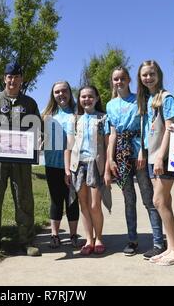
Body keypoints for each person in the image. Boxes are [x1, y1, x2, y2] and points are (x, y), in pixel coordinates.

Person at [0, 61, 42, 257]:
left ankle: (26, 240)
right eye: (9, 76)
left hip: (21, 160)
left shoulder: (29, 103)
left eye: (16, 76)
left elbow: (37, 126)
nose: (12, 80)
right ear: (4, 78)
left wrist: (39, 136)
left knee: (24, 197)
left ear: (21, 79)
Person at [105, 66, 165, 259]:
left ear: (129, 79)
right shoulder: (110, 105)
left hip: (138, 150)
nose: (119, 82)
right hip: (121, 154)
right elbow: (112, 135)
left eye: (122, 78)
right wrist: (110, 159)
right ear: (112, 82)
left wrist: (142, 152)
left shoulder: (140, 99)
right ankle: (132, 239)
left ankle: (158, 240)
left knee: (149, 198)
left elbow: (146, 126)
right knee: (129, 199)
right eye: (115, 79)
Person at [136, 60, 174, 266]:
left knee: (158, 201)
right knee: (164, 202)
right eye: (144, 74)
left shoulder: (167, 98)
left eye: (152, 73)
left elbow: (170, 129)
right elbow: (148, 130)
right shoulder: (147, 99)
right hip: (152, 155)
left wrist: (160, 157)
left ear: (159, 74)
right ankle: (172, 248)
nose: (148, 77)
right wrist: (143, 151)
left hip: (164, 157)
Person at [65, 85, 111, 256]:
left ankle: (99, 238)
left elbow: (108, 146)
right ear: (79, 100)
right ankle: (88, 239)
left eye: (90, 96)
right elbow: (68, 147)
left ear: (97, 98)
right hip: (78, 166)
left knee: (94, 205)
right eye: (83, 97)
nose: (86, 99)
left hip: (95, 165)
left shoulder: (103, 118)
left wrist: (107, 169)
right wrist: (67, 170)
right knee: (83, 204)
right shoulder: (75, 119)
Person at [41, 81, 80, 249]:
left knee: (72, 200)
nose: (61, 94)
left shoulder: (78, 113)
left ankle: (73, 235)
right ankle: (54, 235)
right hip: (52, 163)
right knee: (56, 200)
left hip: (74, 164)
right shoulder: (47, 115)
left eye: (64, 91)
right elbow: (41, 137)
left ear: (70, 93)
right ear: (53, 94)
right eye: (57, 92)